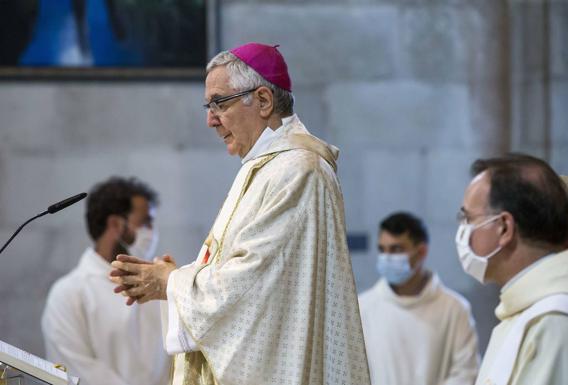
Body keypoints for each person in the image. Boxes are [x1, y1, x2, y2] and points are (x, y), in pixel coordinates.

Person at [109, 42, 371, 385]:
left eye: (219, 103)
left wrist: (171, 283)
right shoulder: (267, 167)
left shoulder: (298, 170)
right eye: (208, 106)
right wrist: (177, 277)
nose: (210, 120)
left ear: (262, 101)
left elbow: (254, 284)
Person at [456, 154, 568, 385]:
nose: (463, 231)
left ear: (504, 228)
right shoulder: (530, 315)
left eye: (468, 218)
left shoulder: (558, 324)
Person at [41, 177, 171, 385]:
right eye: (145, 222)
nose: (152, 232)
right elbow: (75, 371)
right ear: (115, 224)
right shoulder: (68, 294)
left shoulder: (163, 287)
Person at [359, 212, 479, 385]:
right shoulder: (363, 308)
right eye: (382, 250)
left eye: (396, 249)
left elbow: (466, 373)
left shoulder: (455, 309)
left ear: (421, 251)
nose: (387, 257)